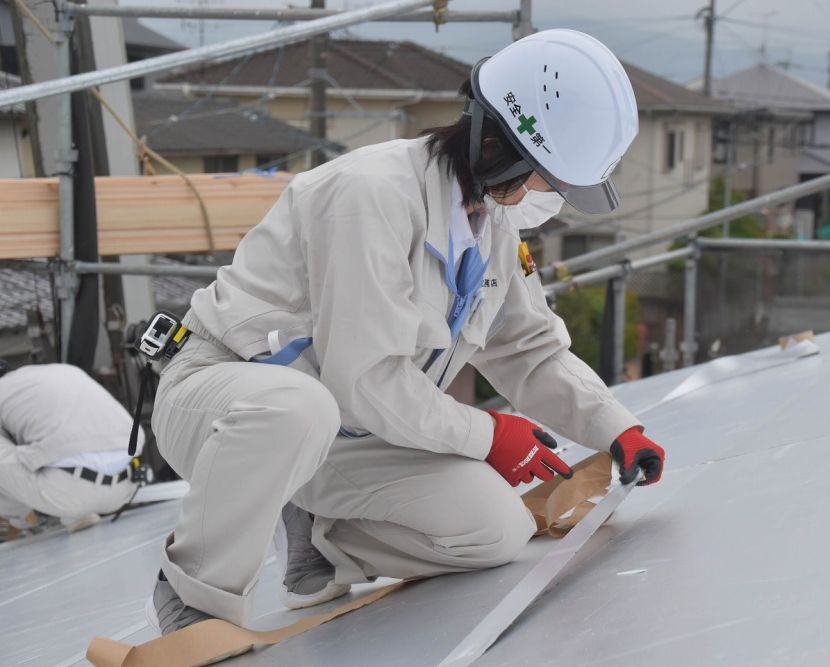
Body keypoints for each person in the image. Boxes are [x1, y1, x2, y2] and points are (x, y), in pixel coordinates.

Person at [147, 29, 667, 636]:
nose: (552, 198)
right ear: (502, 148)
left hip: (343, 427)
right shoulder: (371, 196)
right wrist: (489, 433)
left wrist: (616, 429)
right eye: (550, 179)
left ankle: (324, 535)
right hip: (224, 399)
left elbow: (529, 351)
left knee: (496, 527)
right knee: (298, 406)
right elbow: (364, 376)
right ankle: (193, 598)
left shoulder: (492, 228)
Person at [0, 360, 141, 534]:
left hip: (69, 494)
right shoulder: (63, 370)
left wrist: (20, 514)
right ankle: (79, 515)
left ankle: (28, 520)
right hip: (127, 486)